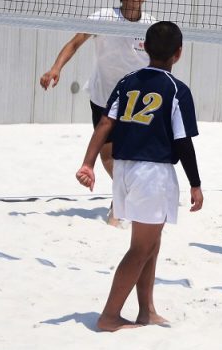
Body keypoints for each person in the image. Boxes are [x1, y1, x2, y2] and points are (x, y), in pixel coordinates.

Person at [75, 20, 203, 332]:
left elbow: (105, 124)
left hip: (123, 169)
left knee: (151, 243)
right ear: (179, 53)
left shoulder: (127, 81)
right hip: (152, 172)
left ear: (144, 47)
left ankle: (146, 310)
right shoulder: (177, 89)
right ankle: (109, 316)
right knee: (140, 248)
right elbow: (183, 142)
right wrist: (195, 183)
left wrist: (89, 163)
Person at [42, 0, 155, 225]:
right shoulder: (104, 17)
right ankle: (124, 194)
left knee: (132, 157)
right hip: (103, 96)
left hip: (136, 102)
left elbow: (160, 62)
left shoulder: (152, 25)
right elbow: (75, 43)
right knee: (108, 156)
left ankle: (120, 203)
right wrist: (56, 68)